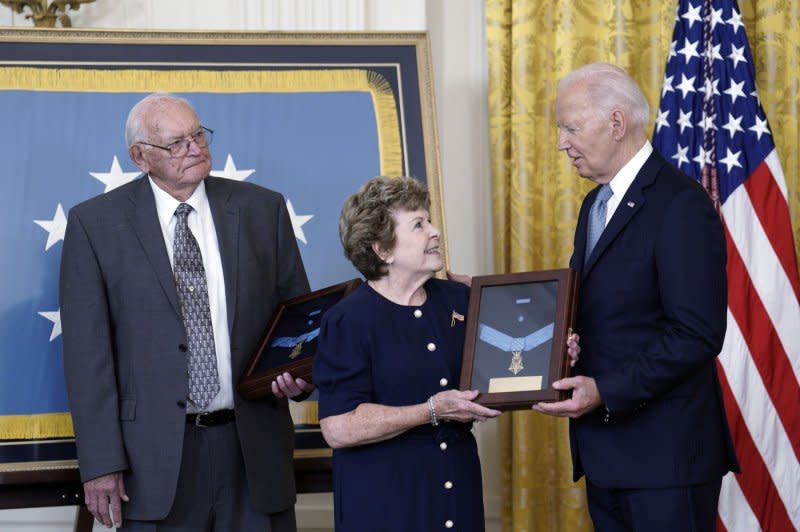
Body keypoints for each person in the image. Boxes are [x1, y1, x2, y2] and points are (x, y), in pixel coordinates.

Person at [60, 93, 311, 531]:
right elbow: (87, 358)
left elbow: (297, 318)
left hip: (251, 449)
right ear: (141, 157)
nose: (195, 148)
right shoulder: (95, 224)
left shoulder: (262, 209)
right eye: (177, 143)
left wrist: (301, 375)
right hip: (152, 461)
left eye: (198, 134)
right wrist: (101, 462)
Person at [532, 63, 739, 531]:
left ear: (617, 123)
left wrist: (605, 389)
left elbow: (697, 334)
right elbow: (597, 309)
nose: (562, 142)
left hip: (666, 461)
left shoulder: (679, 203)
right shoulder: (595, 204)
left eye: (571, 127)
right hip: (608, 455)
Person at [313, 176, 579, 531]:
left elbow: (506, 366)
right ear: (383, 250)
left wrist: (556, 354)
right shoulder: (348, 321)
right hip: (387, 501)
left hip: (458, 489)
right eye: (419, 225)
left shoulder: (458, 300)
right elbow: (338, 428)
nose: (435, 231)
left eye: (430, 220)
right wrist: (430, 411)